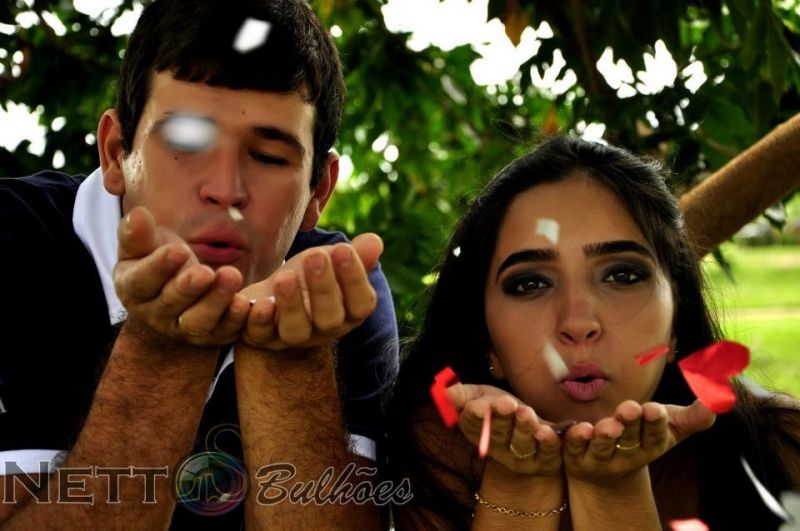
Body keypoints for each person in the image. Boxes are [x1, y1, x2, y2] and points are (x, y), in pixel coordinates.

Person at [0, 0, 398, 528]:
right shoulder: (11, 239)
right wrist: (162, 348)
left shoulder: (334, 286)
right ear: (116, 152)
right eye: (187, 142)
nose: (225, 190)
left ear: (318, 191)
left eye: (269, 157)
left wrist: (291, 362)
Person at [386, 136, 800, 530]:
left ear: (677, 316)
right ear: (487, 339)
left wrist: (614, 490)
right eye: (530, 283)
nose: (578, 323)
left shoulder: (782, 447)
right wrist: (519, 479)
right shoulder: (439, 454)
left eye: (622, 275)